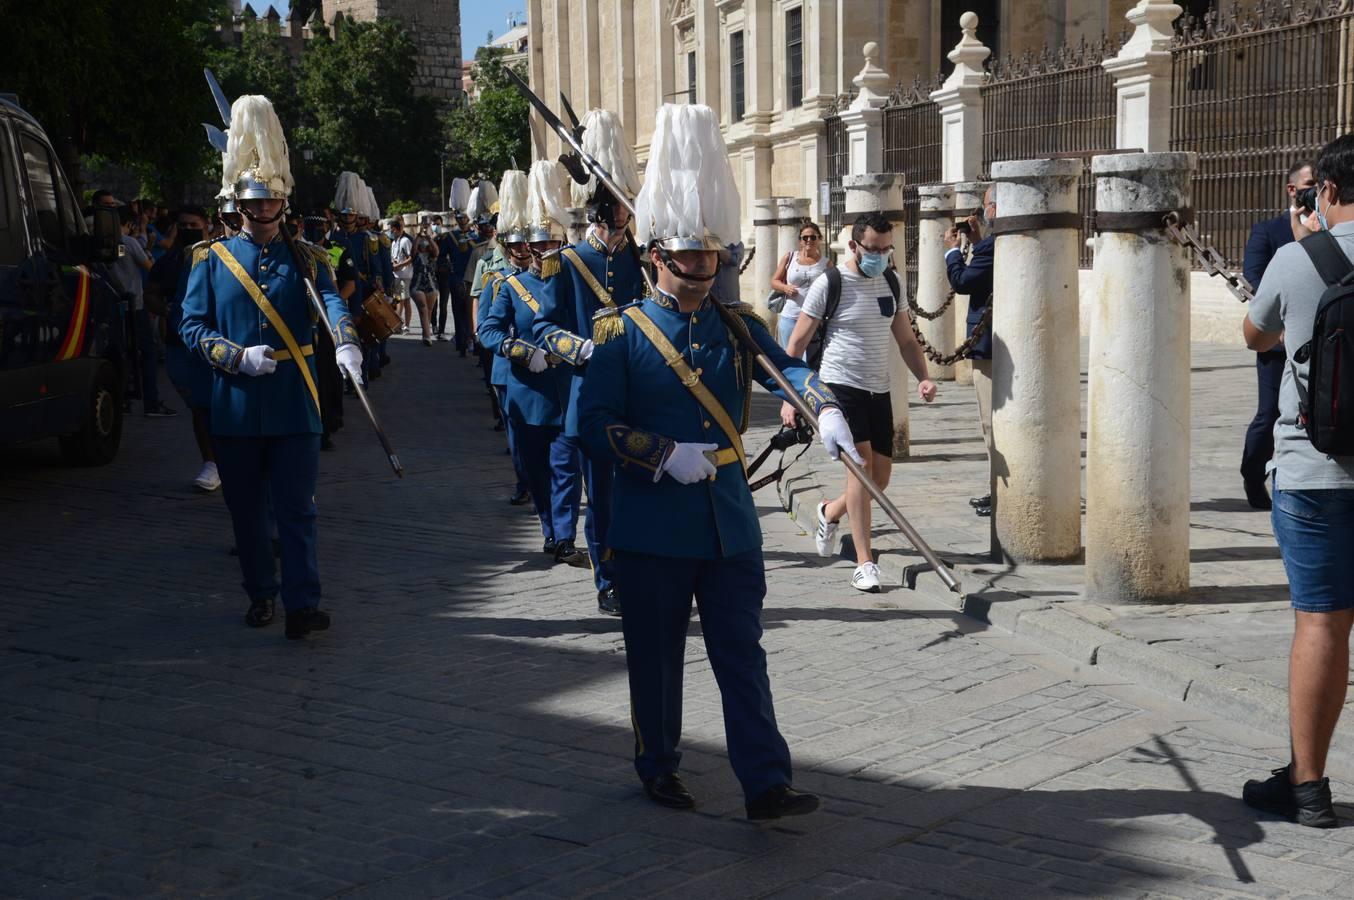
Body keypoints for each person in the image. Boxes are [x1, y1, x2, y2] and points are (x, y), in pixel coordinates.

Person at [577, 103, 855, 819]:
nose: (703, 270)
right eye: (689, 258)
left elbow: (786, 371)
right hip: (651, 530)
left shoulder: (737, 325)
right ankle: (657, 763)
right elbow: (594, 425)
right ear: (656, 257)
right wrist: (661, 454)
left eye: (712, 257)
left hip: (729, 526)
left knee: (743, 656)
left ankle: (765, 780)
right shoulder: (620, 334)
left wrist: (824, 407)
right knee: (657, 660)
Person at [179, 94, 362, 640]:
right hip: (235, 407)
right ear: (237, 206)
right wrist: (234, 356)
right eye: (254, 205)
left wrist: (345, 340)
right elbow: (191, 327)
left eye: (271, 204)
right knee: (247, 516)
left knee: (297, 511)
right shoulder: (209, 260)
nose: (263, 214)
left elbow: (329, 301)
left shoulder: (305, 256)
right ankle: (262, 593)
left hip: (293, 401)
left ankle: (303, 603)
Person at [1240, 134, 1354, 830]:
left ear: (1328, 192)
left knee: (1322, 620)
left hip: (1314, 468)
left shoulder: (1297, 256)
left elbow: (1255, 335)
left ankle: (1308, 788)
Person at [786, 212, 938, 593]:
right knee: (860, 468)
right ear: (854, 246)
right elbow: (797, 345)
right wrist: (789, 398)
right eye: (874, 249)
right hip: (840, 387)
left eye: (888, 250)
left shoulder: (891, 281)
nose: (882, 256)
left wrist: (924, 377)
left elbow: (905, 339)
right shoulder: (830, 283)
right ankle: (864, 561)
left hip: (878, 388)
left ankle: (829, 511)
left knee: (880, 477)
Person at [536, 107, 647, 616]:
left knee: (639, 493)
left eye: (628, 207)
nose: (625, 215)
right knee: (601, 498)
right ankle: (610, 582)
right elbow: (542, 326)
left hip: (640, 395)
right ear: (602, 211)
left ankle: (641, 570)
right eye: (618, 208)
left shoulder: (643, 262)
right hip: (591, 398)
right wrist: (574, 346)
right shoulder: (569, 261)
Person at [479, 160, 585, 567]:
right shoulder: (511, 286)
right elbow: (488, 332)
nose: (543, 254)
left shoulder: (575, 282)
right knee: (535, 470)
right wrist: (523, 351)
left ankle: (563, 535)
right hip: (527, 391)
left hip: (567, 390)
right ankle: (547, 525)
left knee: (566, 465)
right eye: (537, 248)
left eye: (550, 246)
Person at [1241, 161, 1318, 510]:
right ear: (1292, 190)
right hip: (1277, 340)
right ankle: (1253, 474)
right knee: (1269, 412)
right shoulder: (1269, 231)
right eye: (1308, 183)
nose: (1315, 189)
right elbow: (1254, 276)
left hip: (1321, 341)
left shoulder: (1334, 228)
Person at [148, 205, 217, 489]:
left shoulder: (221, 257)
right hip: (181, 347)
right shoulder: (169, 261)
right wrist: (167, 311)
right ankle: (211, 463)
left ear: (207, 225)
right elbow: (150, 294)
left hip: (217, 343)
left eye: (194, 225)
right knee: (200, 408)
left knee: (223, 406)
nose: (189, 230)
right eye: (184, 225)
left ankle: (236, 461)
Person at [477, 171, 533, 506]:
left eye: (527, 244)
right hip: (507, 369)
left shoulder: (548, 279)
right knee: (517, 432)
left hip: (543, 368)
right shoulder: (495, 279)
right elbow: (486, 328)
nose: (524, 250)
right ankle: (523, 480)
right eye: (517, 245)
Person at [944, 187, 997, 518]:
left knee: (990, 421)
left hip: (990, 344)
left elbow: (963, 281)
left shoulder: (992, 247)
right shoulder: (989, 245)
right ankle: (998, 489)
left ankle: (1001, 492)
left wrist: (953, 251)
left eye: (986, 206)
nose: (983, 212)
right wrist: (974, 243)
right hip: (993, 342)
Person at [109, 204, 177, 418]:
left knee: (119, 353)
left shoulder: (105, 242)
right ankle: (152, 401)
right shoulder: (128, 242)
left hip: (113, 305)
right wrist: (148, 247)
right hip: (135, 305)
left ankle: (122, 400)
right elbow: (150, 266)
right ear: (129, 224)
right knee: (147, 353)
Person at [769, 220, 831, 349]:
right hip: (790, 317)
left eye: (813, 237)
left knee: (811, 362)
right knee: (789, 359)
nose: (809, 240)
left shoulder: (827, 264)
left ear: (819, 239)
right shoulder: (789, 257)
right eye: (805, 237)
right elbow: (774, 282)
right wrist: (786, 288)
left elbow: (833, 290)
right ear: (800, 241)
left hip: (813, 320)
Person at [409, 221, 440, 346]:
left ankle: (425, 333)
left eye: (425, 245)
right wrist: (418, 235)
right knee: (423, 308)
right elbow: (412, 250)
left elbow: (436, 250)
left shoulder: (433, 256)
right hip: (417, 284)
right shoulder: (415, 255)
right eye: (422, 245)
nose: (423, 246)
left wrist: (428, 237)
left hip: (431, 284)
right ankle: (427, 337)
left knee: (429, 310)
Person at [389, 219, 414, 333]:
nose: (391, 232)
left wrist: (399, 265)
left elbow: (411, 257)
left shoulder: (405, 241)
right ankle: (400, 323)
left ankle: (402, 324)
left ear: (397, 229)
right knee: (399, 299)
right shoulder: (394, 242)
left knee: (403, 300)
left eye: (392, 229)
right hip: (396, 275)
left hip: (405, 275)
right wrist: (394, 263)